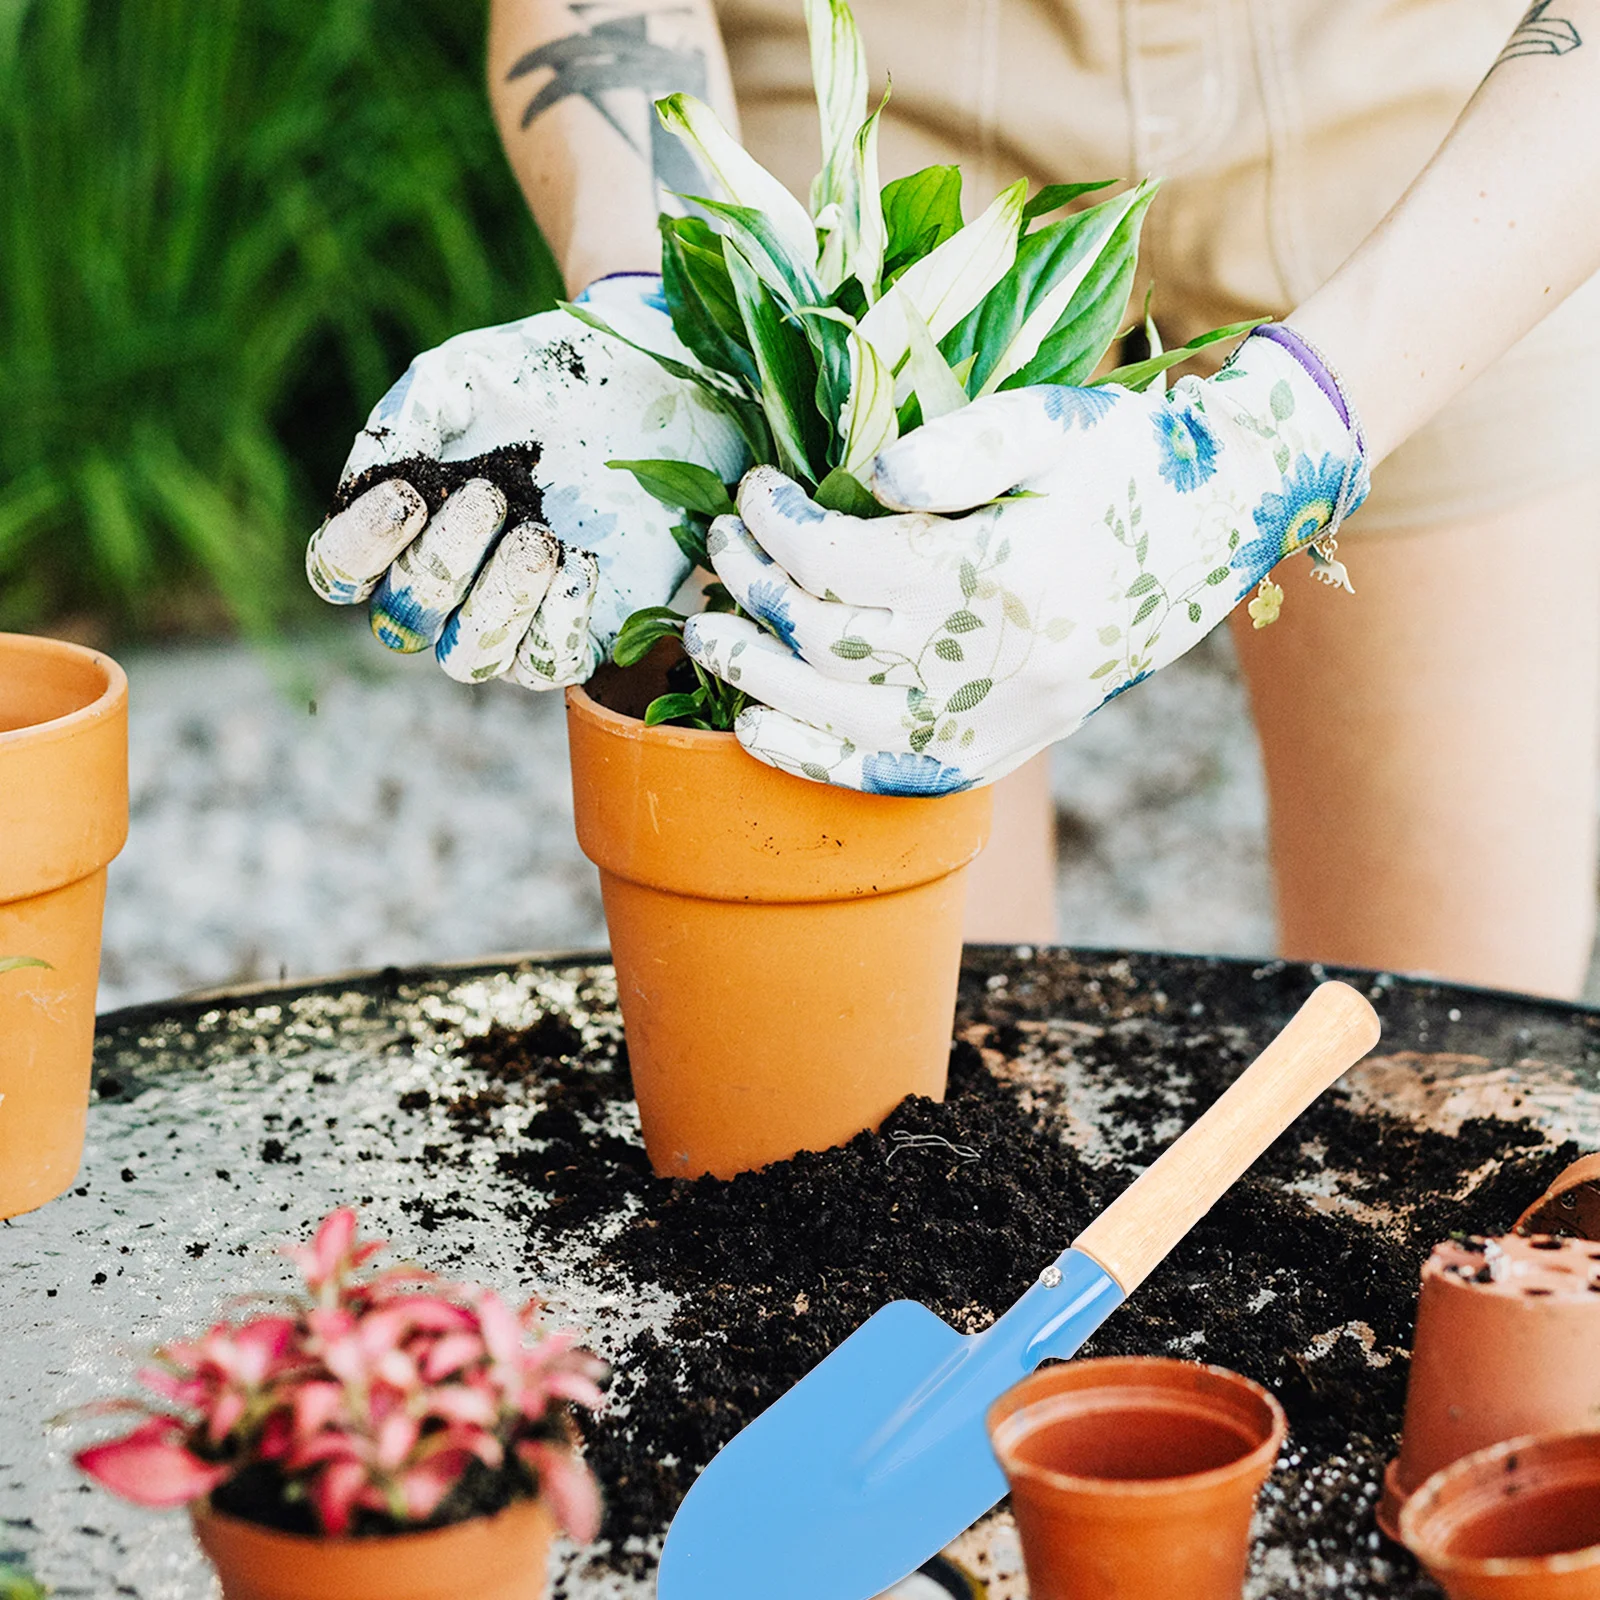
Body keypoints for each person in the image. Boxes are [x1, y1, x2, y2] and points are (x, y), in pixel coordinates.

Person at [308, 0, 1600, 999]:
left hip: (1456, 129)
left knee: (1449, 1075)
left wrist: (1298, 422)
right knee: (893, 1119)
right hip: (864, 118)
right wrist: (664, 302)